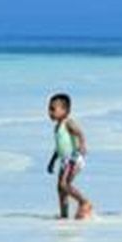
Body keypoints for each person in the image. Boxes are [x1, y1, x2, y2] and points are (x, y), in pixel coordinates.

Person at [45, 92, 92, 220]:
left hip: (73, 158)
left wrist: (82, 145)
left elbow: (79, 132)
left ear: (65, 110)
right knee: (60, 189)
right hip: (64, 160)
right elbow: (59, 147)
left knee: (64, 185)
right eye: (49, 109)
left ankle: (84, 202)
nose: (50, 112)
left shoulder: (68, 123)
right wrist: (52, 161)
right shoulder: (57, 127)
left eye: (53, 109)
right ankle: (64, 215)